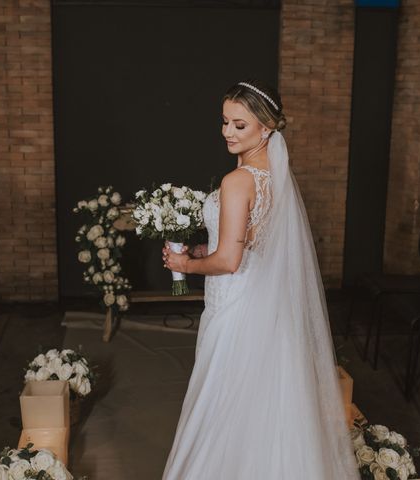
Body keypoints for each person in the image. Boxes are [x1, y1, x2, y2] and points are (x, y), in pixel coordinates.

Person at [161, 80, 359, 479]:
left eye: (239, 125)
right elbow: (254, 238)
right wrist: (204, 250)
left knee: (225, 403)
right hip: (267, 308)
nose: (227, 133)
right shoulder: (276, 177)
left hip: (236, 308)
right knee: (265, 406)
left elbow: (231, 262)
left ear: (266, 128)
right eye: (224, 122)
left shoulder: (238, 181)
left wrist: (183, 263)